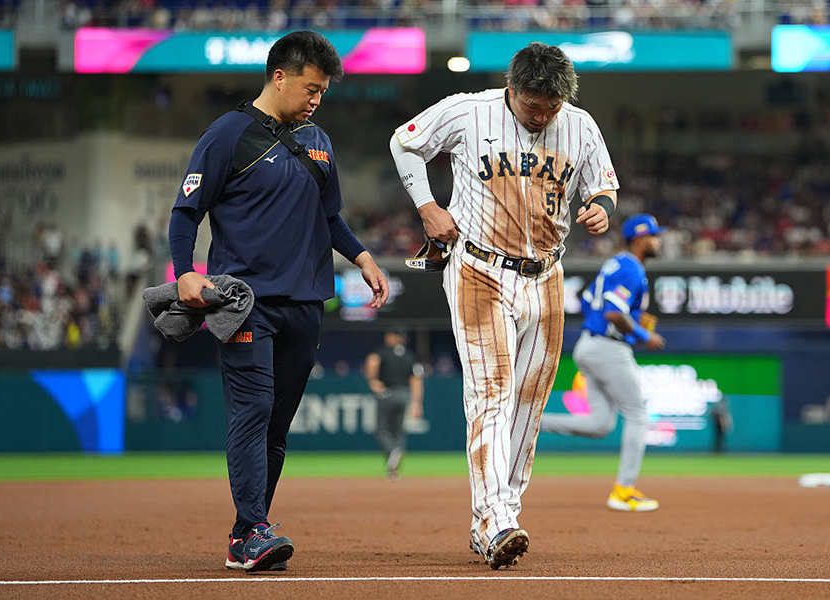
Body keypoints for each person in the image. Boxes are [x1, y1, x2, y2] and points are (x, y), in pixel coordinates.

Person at [389, 41, 618, 569]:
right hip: (479, 268)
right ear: (512, 89)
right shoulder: (469, 110)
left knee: (530, 403)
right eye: (534, 104)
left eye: (552, 105)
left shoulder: (579, 125)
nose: (543, 114)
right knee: (490, 392)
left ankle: (498, 515)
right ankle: (495, 519)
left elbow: (603, 186)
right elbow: (405, 143)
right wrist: (426, 206)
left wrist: (601, 209)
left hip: (547, 275)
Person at [169, 31, 389, 573]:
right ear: (279, 77)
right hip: (244, 301)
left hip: (307, 302)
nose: (317, 99)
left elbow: (329, 215)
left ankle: (251, 530)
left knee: (277, 424)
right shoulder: (227, 135)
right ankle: (251, 531)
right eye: (311, 88)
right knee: (254, 410)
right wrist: (184, 275)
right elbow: (185, 213)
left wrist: (361, 257)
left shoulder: (319, 140)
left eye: (323, 91)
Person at [541, 213, 666, 512]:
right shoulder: (630, 268)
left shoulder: (615, 263)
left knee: (600, 424)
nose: (658, 240)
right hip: (608, 348)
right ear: (638, 238)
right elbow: (612, 312)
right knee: (637, 415)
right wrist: (641, 334)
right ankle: (623, 491)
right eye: (653, 235)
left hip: (590, 344)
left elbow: (587, 301)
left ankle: (532, 423)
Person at [364, 329, 424, 480]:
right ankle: (393, 470)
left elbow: (372, 360)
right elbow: (416, 379)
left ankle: (393, 452)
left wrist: (372, 380)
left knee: (382, 429)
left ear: (391, 337)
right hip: (404, 394)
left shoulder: (383, 352)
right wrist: (417, 403)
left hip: (387, 393)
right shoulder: (410, 356)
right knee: (397, 431)